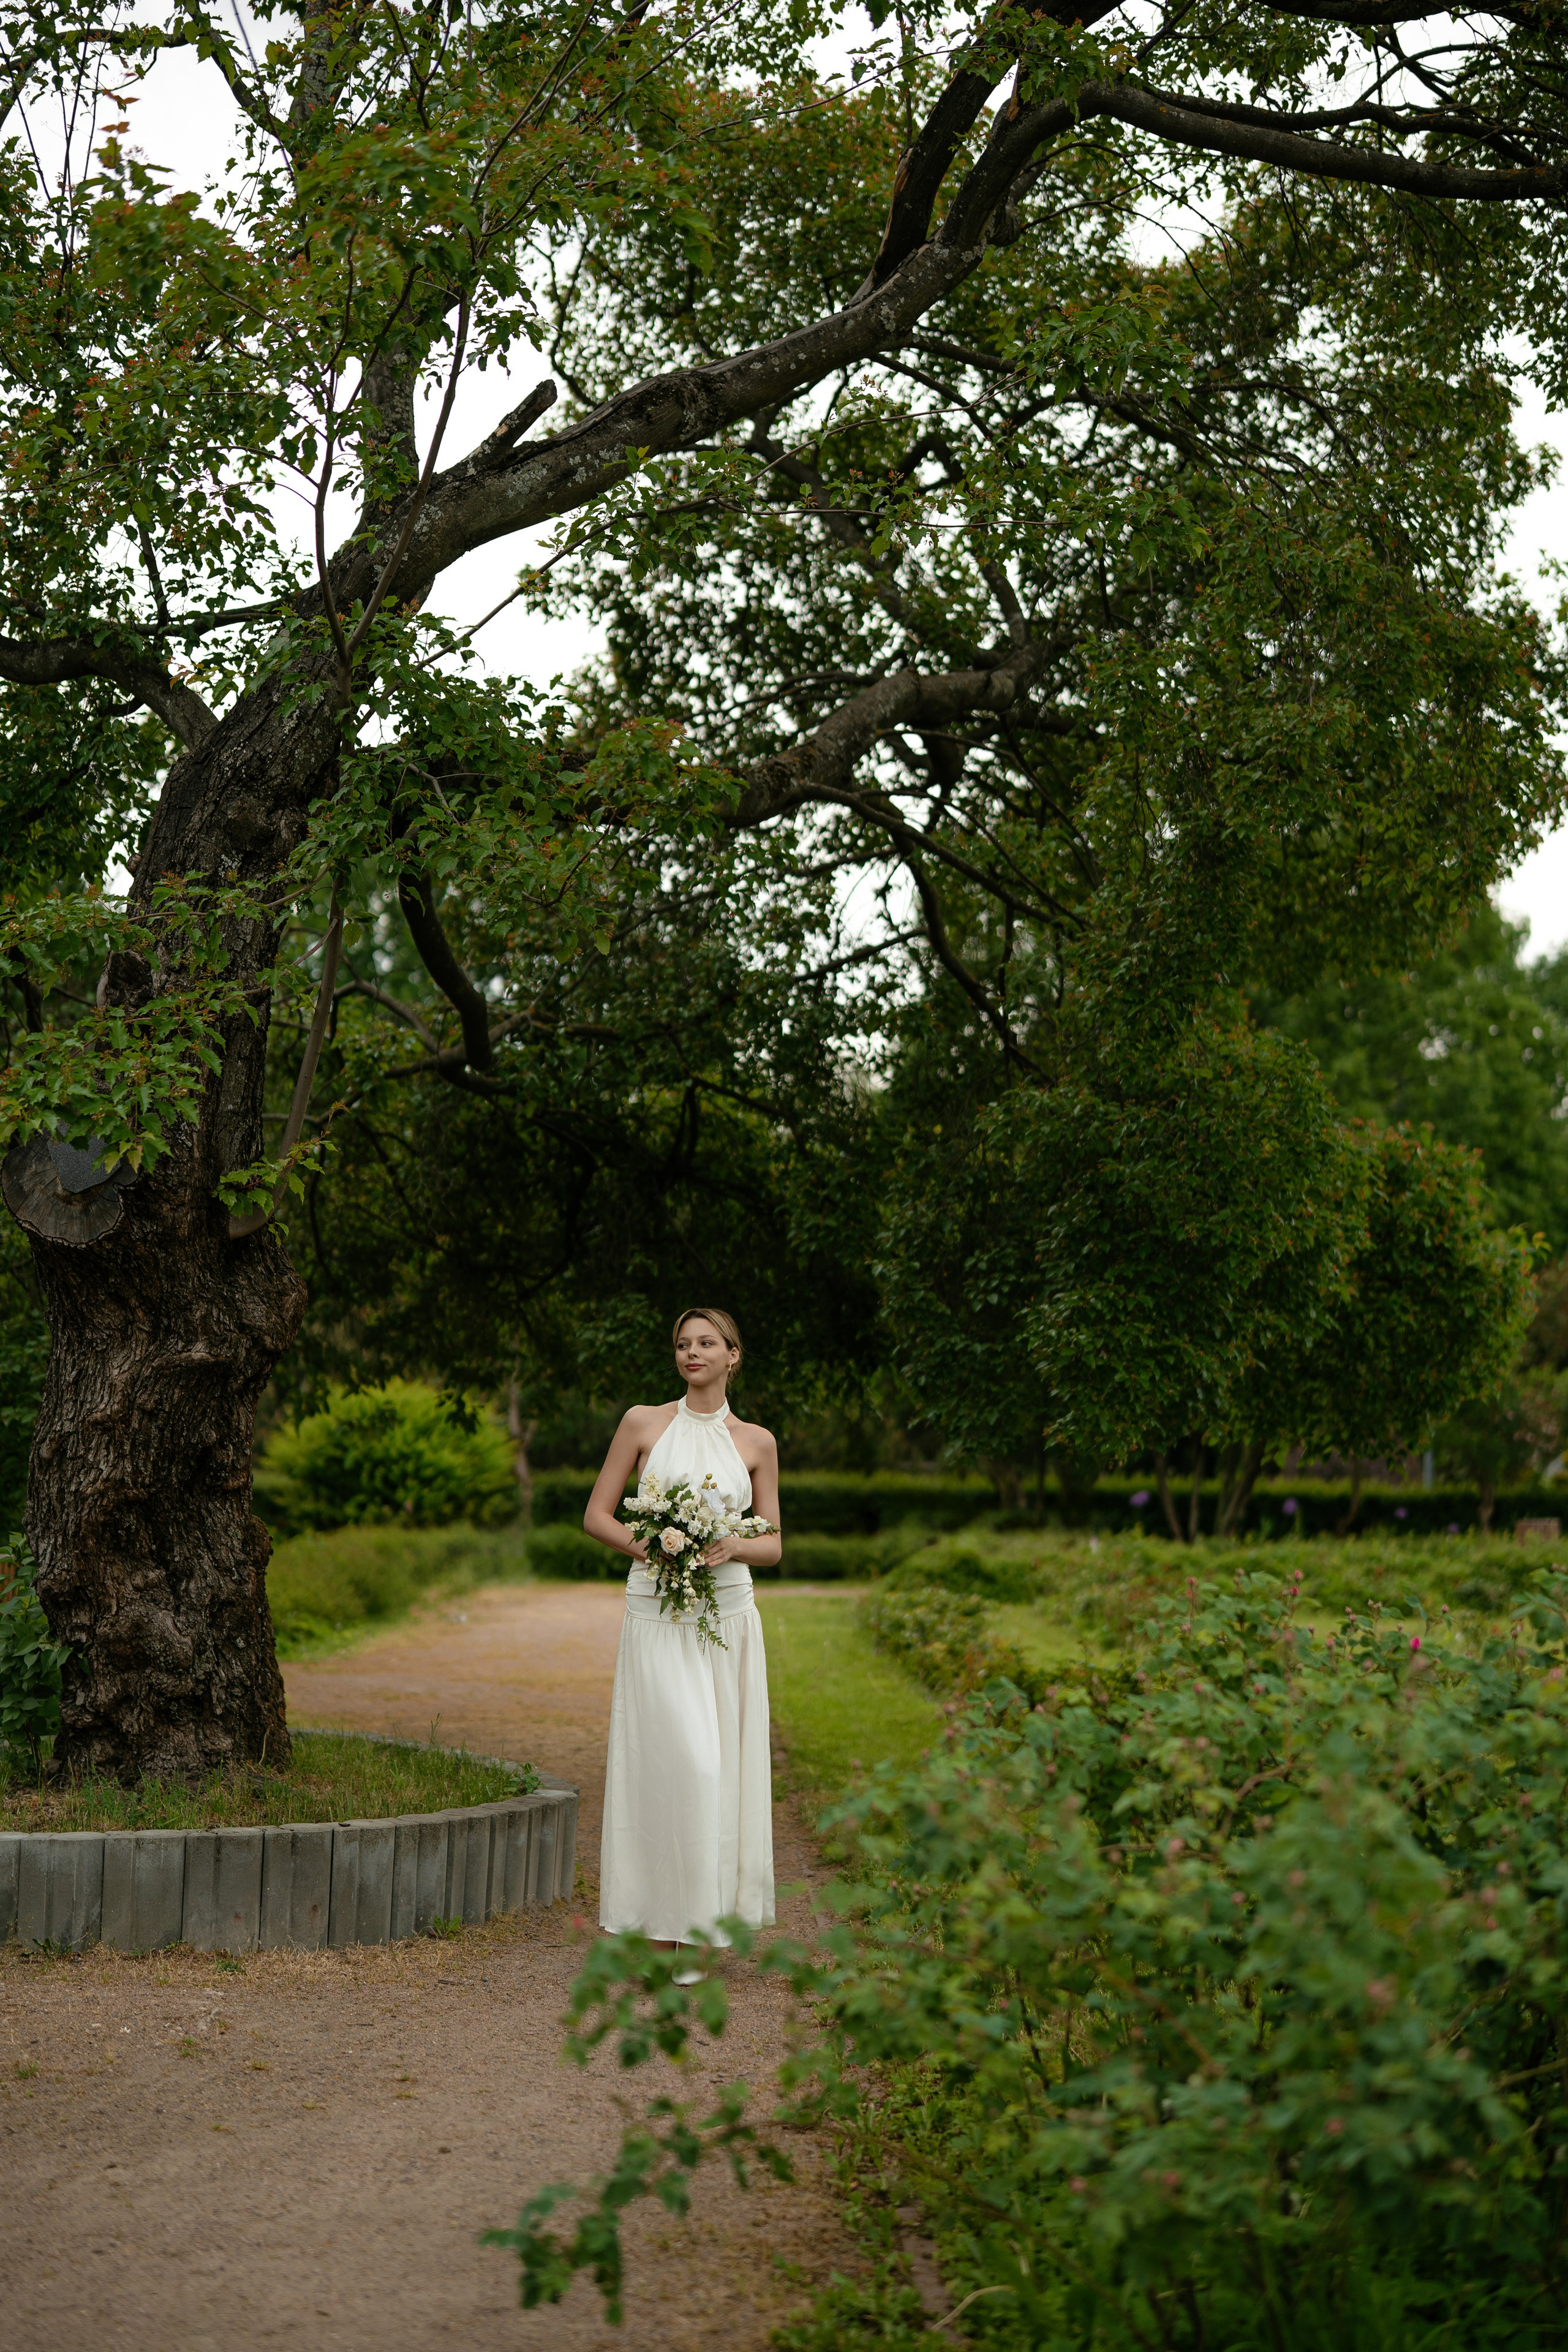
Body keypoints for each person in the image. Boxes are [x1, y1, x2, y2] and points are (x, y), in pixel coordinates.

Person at [584, 1307, 782, 1958]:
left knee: (714, 1768)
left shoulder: (757, 1442)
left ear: (732, 1356)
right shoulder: (643, 1422)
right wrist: (653, 1549)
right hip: (655, 1617)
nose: (691, 1352)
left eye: (706, 1343)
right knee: (669, 1767)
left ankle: (700, 1931)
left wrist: (731, 1543)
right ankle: (655, 1923)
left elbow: (773, 1544)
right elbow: (597, 1515)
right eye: (682, 1344)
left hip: (725, 1620)